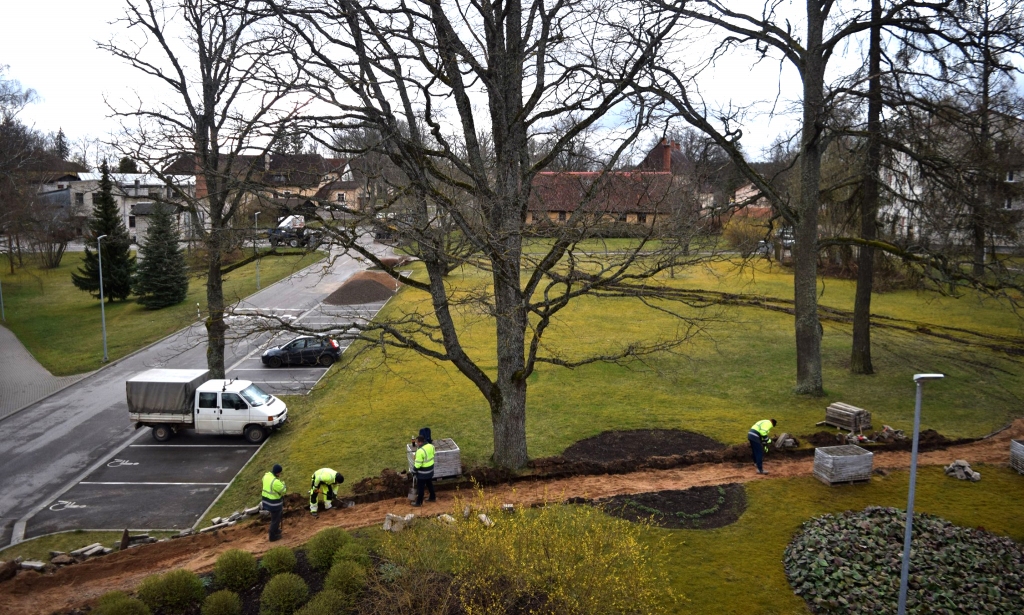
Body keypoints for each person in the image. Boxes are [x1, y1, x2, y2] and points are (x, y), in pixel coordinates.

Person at [261, 464, 286, 541]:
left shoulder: (266, 476)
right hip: (274, 503)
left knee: (274, 517)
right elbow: (283, 491)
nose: (280, 474)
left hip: (266, 501)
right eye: (280, 473)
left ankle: (276, 530)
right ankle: (272, 536)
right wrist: (283, 484)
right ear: (277, 473)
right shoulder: (276, 482)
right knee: (275, 519)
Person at [411, 434, 435, 507]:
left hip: (423, 473)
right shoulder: (431, 446)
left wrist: (414, 471)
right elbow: (433, 454)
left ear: (420, 442)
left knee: (420, 488)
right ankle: (432, 497)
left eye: (417, 442)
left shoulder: (420, 451)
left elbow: (418, 464)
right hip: (430, 471)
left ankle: (419, 502)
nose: (417, 444)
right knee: (429, 484)